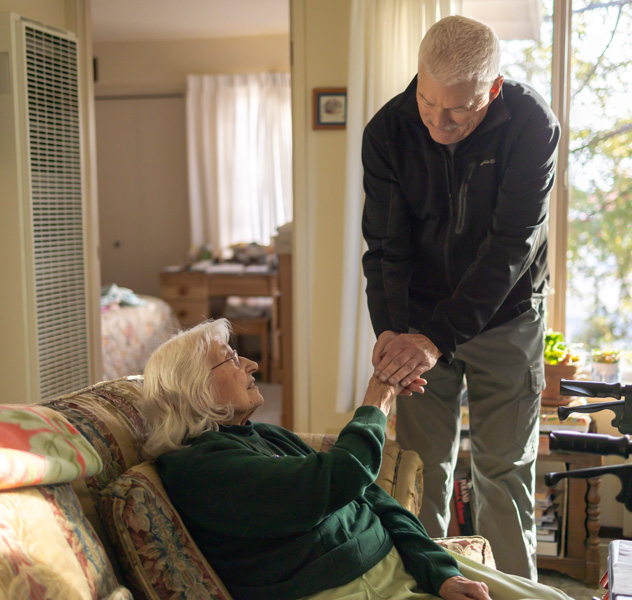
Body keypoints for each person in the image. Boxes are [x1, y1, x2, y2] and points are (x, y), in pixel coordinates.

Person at [139, 319, 574, 600]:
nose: (251, 364)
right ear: (194, 388)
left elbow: (375, 500)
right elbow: (335, 480)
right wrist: (379, 397)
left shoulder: (262, 435)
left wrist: (439, 572)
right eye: (231, 359)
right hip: (348, 587)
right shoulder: (200, 469)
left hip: (396, 564)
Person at [361, 15, 560, 579]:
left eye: (457, 111)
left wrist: (435, 336)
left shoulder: (532, 125)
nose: (438, 123)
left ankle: (517, 593)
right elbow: (385, 247)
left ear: (492, 91)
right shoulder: (387, 132)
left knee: (505, 474)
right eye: (427, 103)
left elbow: (509, 246)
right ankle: (428, 586)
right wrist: (394, 334)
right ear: (418, 78)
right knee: (421, 473)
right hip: (420, 320)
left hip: (507, 316)